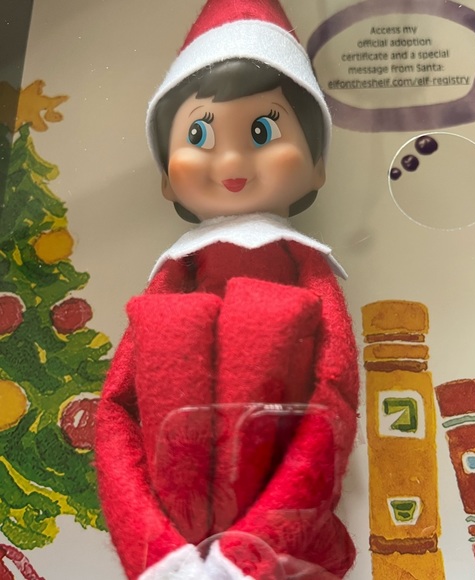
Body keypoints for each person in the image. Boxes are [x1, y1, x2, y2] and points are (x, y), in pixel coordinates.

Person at [95, 1, 359, 578]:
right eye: (200, 134)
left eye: (263, 131)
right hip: (176, 536)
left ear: (317, 165)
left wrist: (249, 554)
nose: (233, 158)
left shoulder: (307, 273)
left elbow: (331, 408)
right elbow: (117, 411)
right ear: (166, 176)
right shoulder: (171, 280)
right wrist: (156, 551)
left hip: (281, 551)